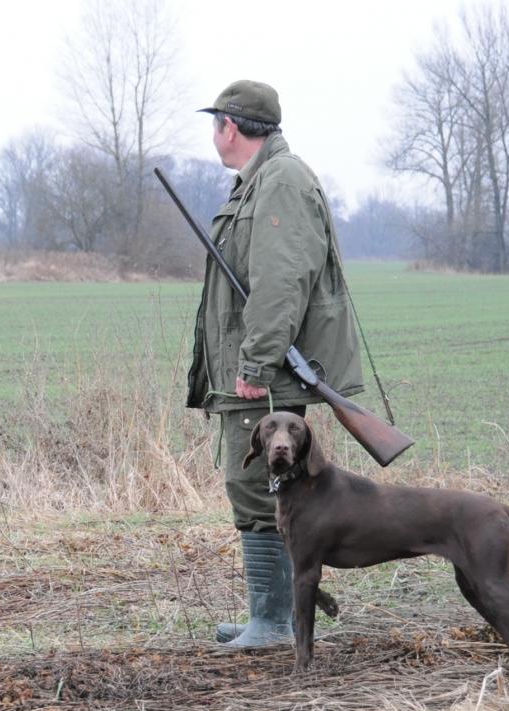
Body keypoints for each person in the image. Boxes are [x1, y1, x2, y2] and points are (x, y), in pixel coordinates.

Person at [187, 80, 364, 648]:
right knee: (260, 486)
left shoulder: (280, 183)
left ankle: (274, 622)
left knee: (256, 484)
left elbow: (280, 284)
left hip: (266, 368)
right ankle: (273, 613)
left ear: (230, 128)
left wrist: (257, 363)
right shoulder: (260, 182)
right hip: (266, 362)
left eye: (216, 123)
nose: (214, 133)